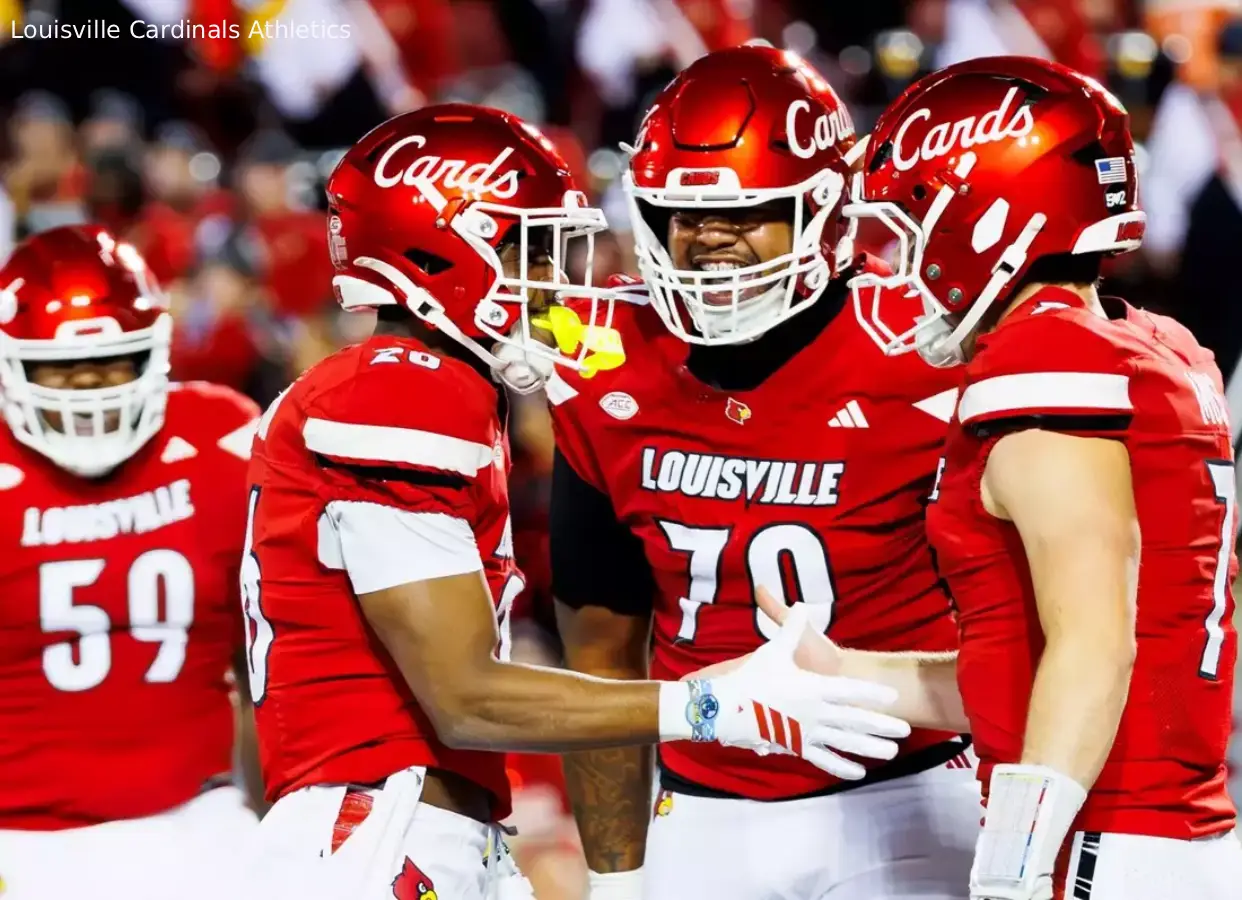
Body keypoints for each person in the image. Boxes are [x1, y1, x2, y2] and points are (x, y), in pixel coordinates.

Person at [241, 103, 912, 900]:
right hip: (377, 828)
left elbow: (611, 332)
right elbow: (466, 698)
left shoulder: (419, 384)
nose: (558, 280)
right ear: (439, 252)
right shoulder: (398, 395)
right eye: (529, 248)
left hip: (414, 824)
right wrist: (712, 705)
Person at [783, 54, 1242, 899]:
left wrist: (1014, 865)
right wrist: (840, 671)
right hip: (1160, 840)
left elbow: (1095, 649)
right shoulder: (1157, 346)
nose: (900, 264)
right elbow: (1028, 671)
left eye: (914, 226)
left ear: (986, 217)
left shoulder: (1044, 354)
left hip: (1101, 843)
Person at [547, 44, 981, 900]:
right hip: (702, 804)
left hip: (908, 789)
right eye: (680, 215)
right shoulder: (597, 354)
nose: (707, 240)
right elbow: (600, 654)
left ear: (824, 211)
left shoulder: (929, 345)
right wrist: (615, 877)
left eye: (743, 215)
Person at [0, 225, 262, 900]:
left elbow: (275, 656)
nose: (87, 389)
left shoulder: (219, 436)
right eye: (58, 369)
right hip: (19, 839)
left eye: (113, 363)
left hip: (200, 823)